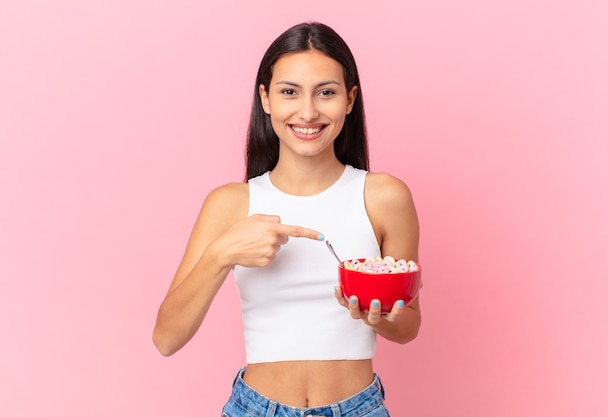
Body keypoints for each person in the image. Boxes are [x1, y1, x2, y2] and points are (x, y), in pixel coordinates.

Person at [153, 21, 421, 416]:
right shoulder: (231, 203)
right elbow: (166, 339)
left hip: (358, 407)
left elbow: (409, 326)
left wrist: (374, 315)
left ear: (349, 99)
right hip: (255, 408)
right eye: (289, 92)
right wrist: (221, 254)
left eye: (326, 93)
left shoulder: (384, 197)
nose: (308, 112)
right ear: (265, 99)